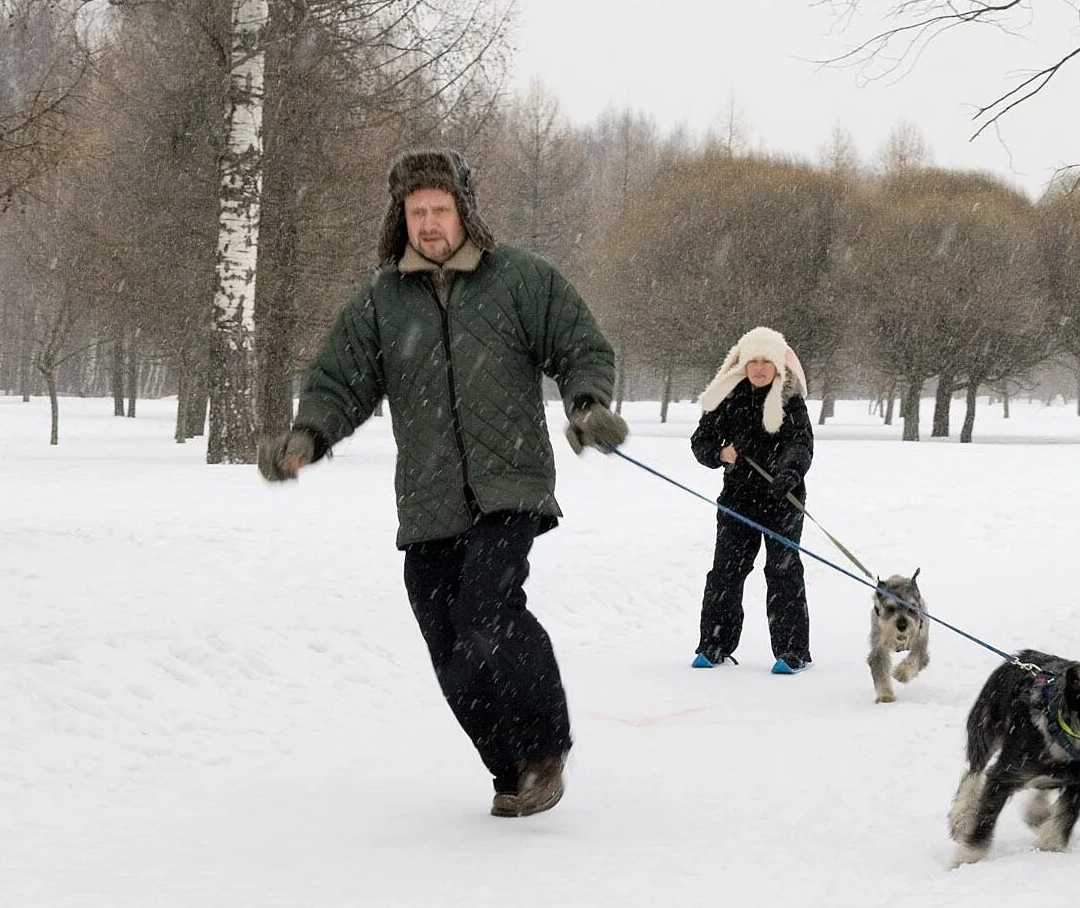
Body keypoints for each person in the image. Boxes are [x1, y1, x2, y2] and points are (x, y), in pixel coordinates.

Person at [257, 149, 628, 818]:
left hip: (508, 483)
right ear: (400, 216)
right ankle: (508, 766)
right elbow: (341, 382)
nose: (428, 223)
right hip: (428, 497)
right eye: (416, 210)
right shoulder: (382, 300)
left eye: (440, 209)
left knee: (486, 608)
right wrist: (307, 436)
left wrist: (586, 403)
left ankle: (545, 752)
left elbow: (580, 349)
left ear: (465, 212)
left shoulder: (521, 280)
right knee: (446, 637)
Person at [689, 326, 814, 674]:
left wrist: (789, 473)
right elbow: (701, 441)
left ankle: (793, 652)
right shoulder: (728, 397)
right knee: (725, 574)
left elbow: (801, 445)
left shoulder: (791, 401)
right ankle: (714, 646)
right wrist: (719, 453)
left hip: (782, 501)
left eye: (766, 362)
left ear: (778, 365)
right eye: (753, 361)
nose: (759, 368)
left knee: (783, 573)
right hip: (738, 501)